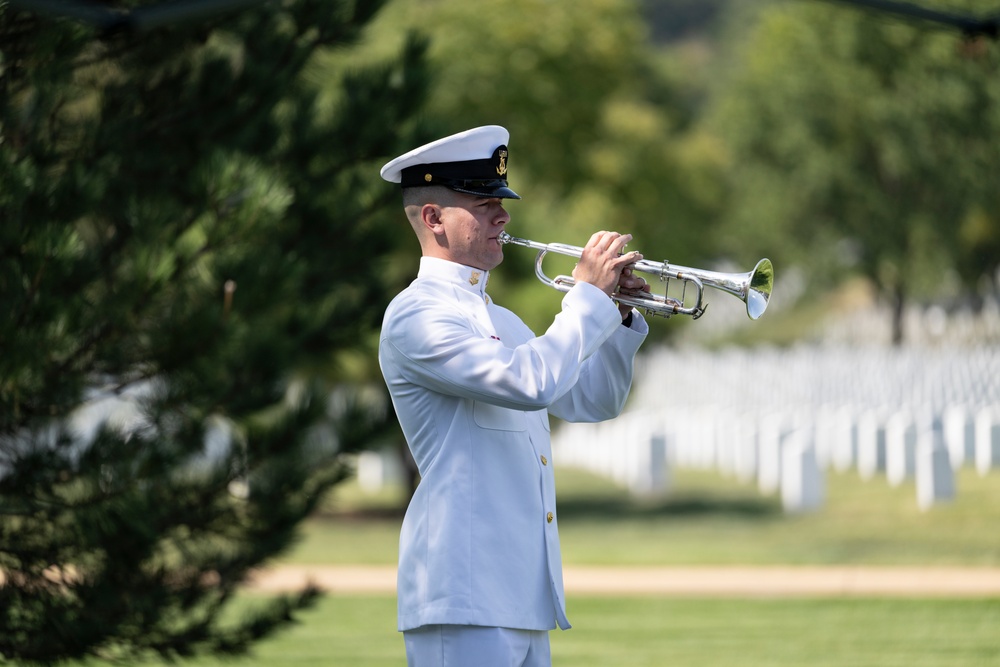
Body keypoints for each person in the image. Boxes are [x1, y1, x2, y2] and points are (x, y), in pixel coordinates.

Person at [378, 125, 650, 667]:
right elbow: (533, 384)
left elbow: (590, 400)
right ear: (433, 218)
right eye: (484, 204)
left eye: (501, 202)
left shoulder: (499, 318)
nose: (503, 216)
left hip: (518, 591)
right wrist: (587, 300)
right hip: (462, 591)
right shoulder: (417, 315)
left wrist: (616, 317)